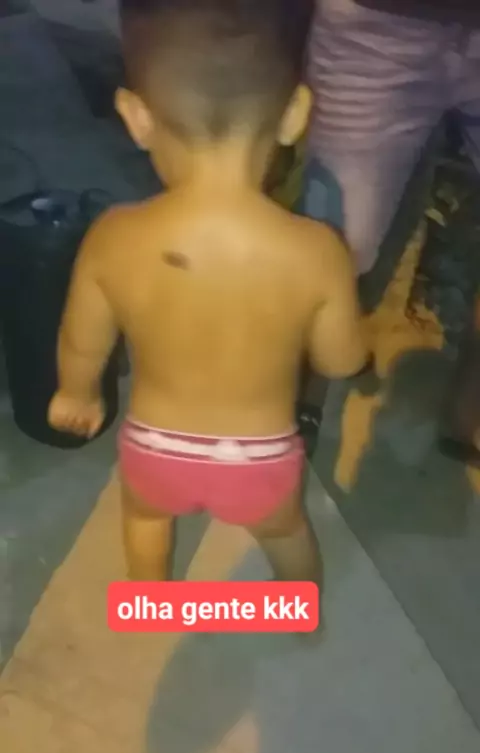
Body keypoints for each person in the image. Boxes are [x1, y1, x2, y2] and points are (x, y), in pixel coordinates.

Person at [47, 0, 367, 592]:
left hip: (155, 448)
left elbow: (81, 340)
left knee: (145, 520)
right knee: (286, 533)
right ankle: (295, 608)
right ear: (296, 114)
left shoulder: (114, 237)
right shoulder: (317, 250)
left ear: (136, 117)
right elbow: (341, 360)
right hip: (259, 460)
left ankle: (152, 601)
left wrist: (76, 392)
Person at [302, 0, 480, 460]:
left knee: (335, 238)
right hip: (376, 24)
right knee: (336, 241)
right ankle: (302, 402)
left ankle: (469, 406)